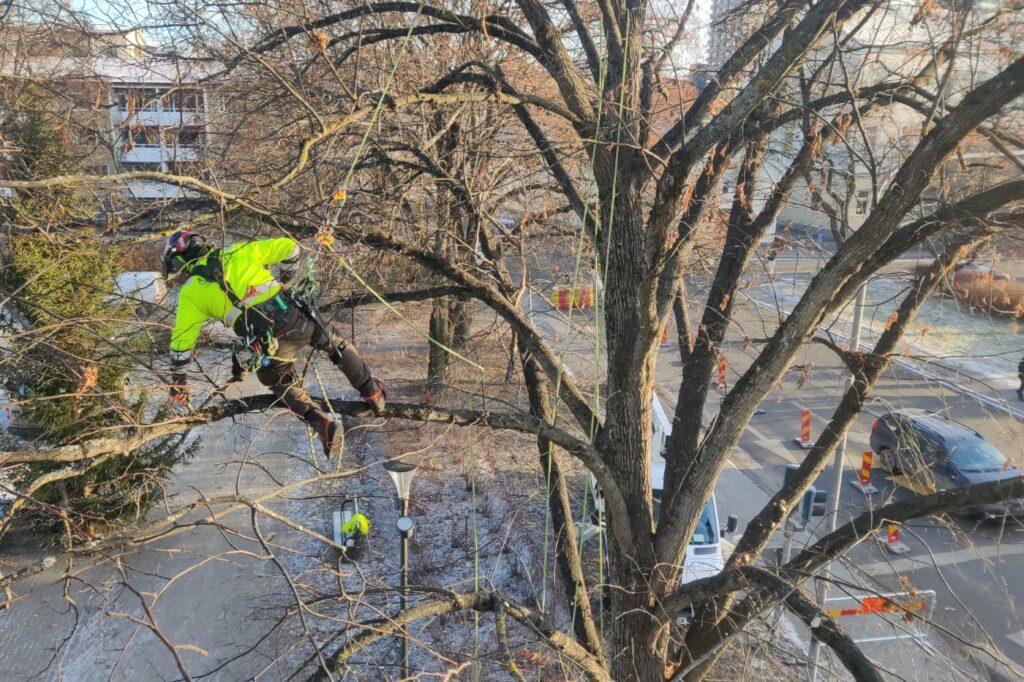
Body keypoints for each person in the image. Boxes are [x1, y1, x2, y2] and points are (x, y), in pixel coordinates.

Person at [161, 230, 385, 457]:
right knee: (336, 344)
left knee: (279, 382)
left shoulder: (191, 291)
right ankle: (372, 392)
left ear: (179, 261)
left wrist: (179, 382)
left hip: (268, 341)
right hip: (298, 317)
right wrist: (287, 279)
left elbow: (182, 340)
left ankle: (321, 424)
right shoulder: (237, 251)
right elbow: (291, 248)